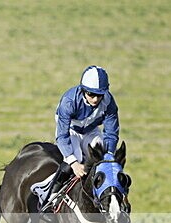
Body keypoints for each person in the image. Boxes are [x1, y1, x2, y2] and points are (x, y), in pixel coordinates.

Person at [40, 65, 120, 211]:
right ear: (83, 90)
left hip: (91, 131)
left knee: (103, 159)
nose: (95, 99)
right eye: (91, 94)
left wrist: (109, 155)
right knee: (75, 157)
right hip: (71, 130)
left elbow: (111, 133)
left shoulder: (109, 102)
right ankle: (50, 199)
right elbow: (62, 136)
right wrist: (74, 163)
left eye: (99, 95)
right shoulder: (69, 101)